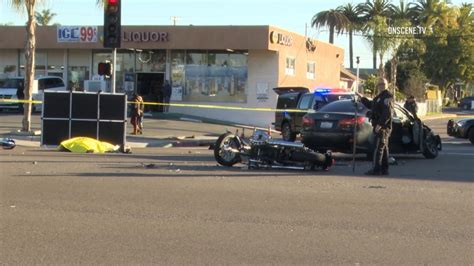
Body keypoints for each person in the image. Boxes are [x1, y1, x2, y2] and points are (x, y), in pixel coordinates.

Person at [357, 78, 394, 176]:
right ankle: (384, 169)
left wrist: (380, 125)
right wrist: (362, 98)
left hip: (383, 127)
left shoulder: (387, 97)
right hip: (378, 125)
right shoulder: (379, 97)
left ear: (387, 85)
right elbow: (371, 105)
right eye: (380, 84)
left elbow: (387, 113)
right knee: (384, 148)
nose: (381, 86)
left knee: (378, 148)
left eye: (383, 84)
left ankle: (376, 169)